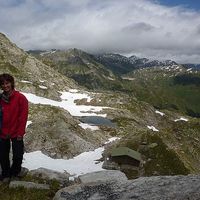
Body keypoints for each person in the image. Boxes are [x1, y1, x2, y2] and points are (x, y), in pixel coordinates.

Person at [0, 73, 28, 182]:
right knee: (3, 155)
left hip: (16, 132)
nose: (5, 86)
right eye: (2, 84)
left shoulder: (21, 98)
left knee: (17, 155)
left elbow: (23, 117)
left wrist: (20, 133)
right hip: (2, 131)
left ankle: (15, 172)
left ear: (12, 83)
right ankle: (6, 174)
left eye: (7, 83)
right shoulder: (0, 99)